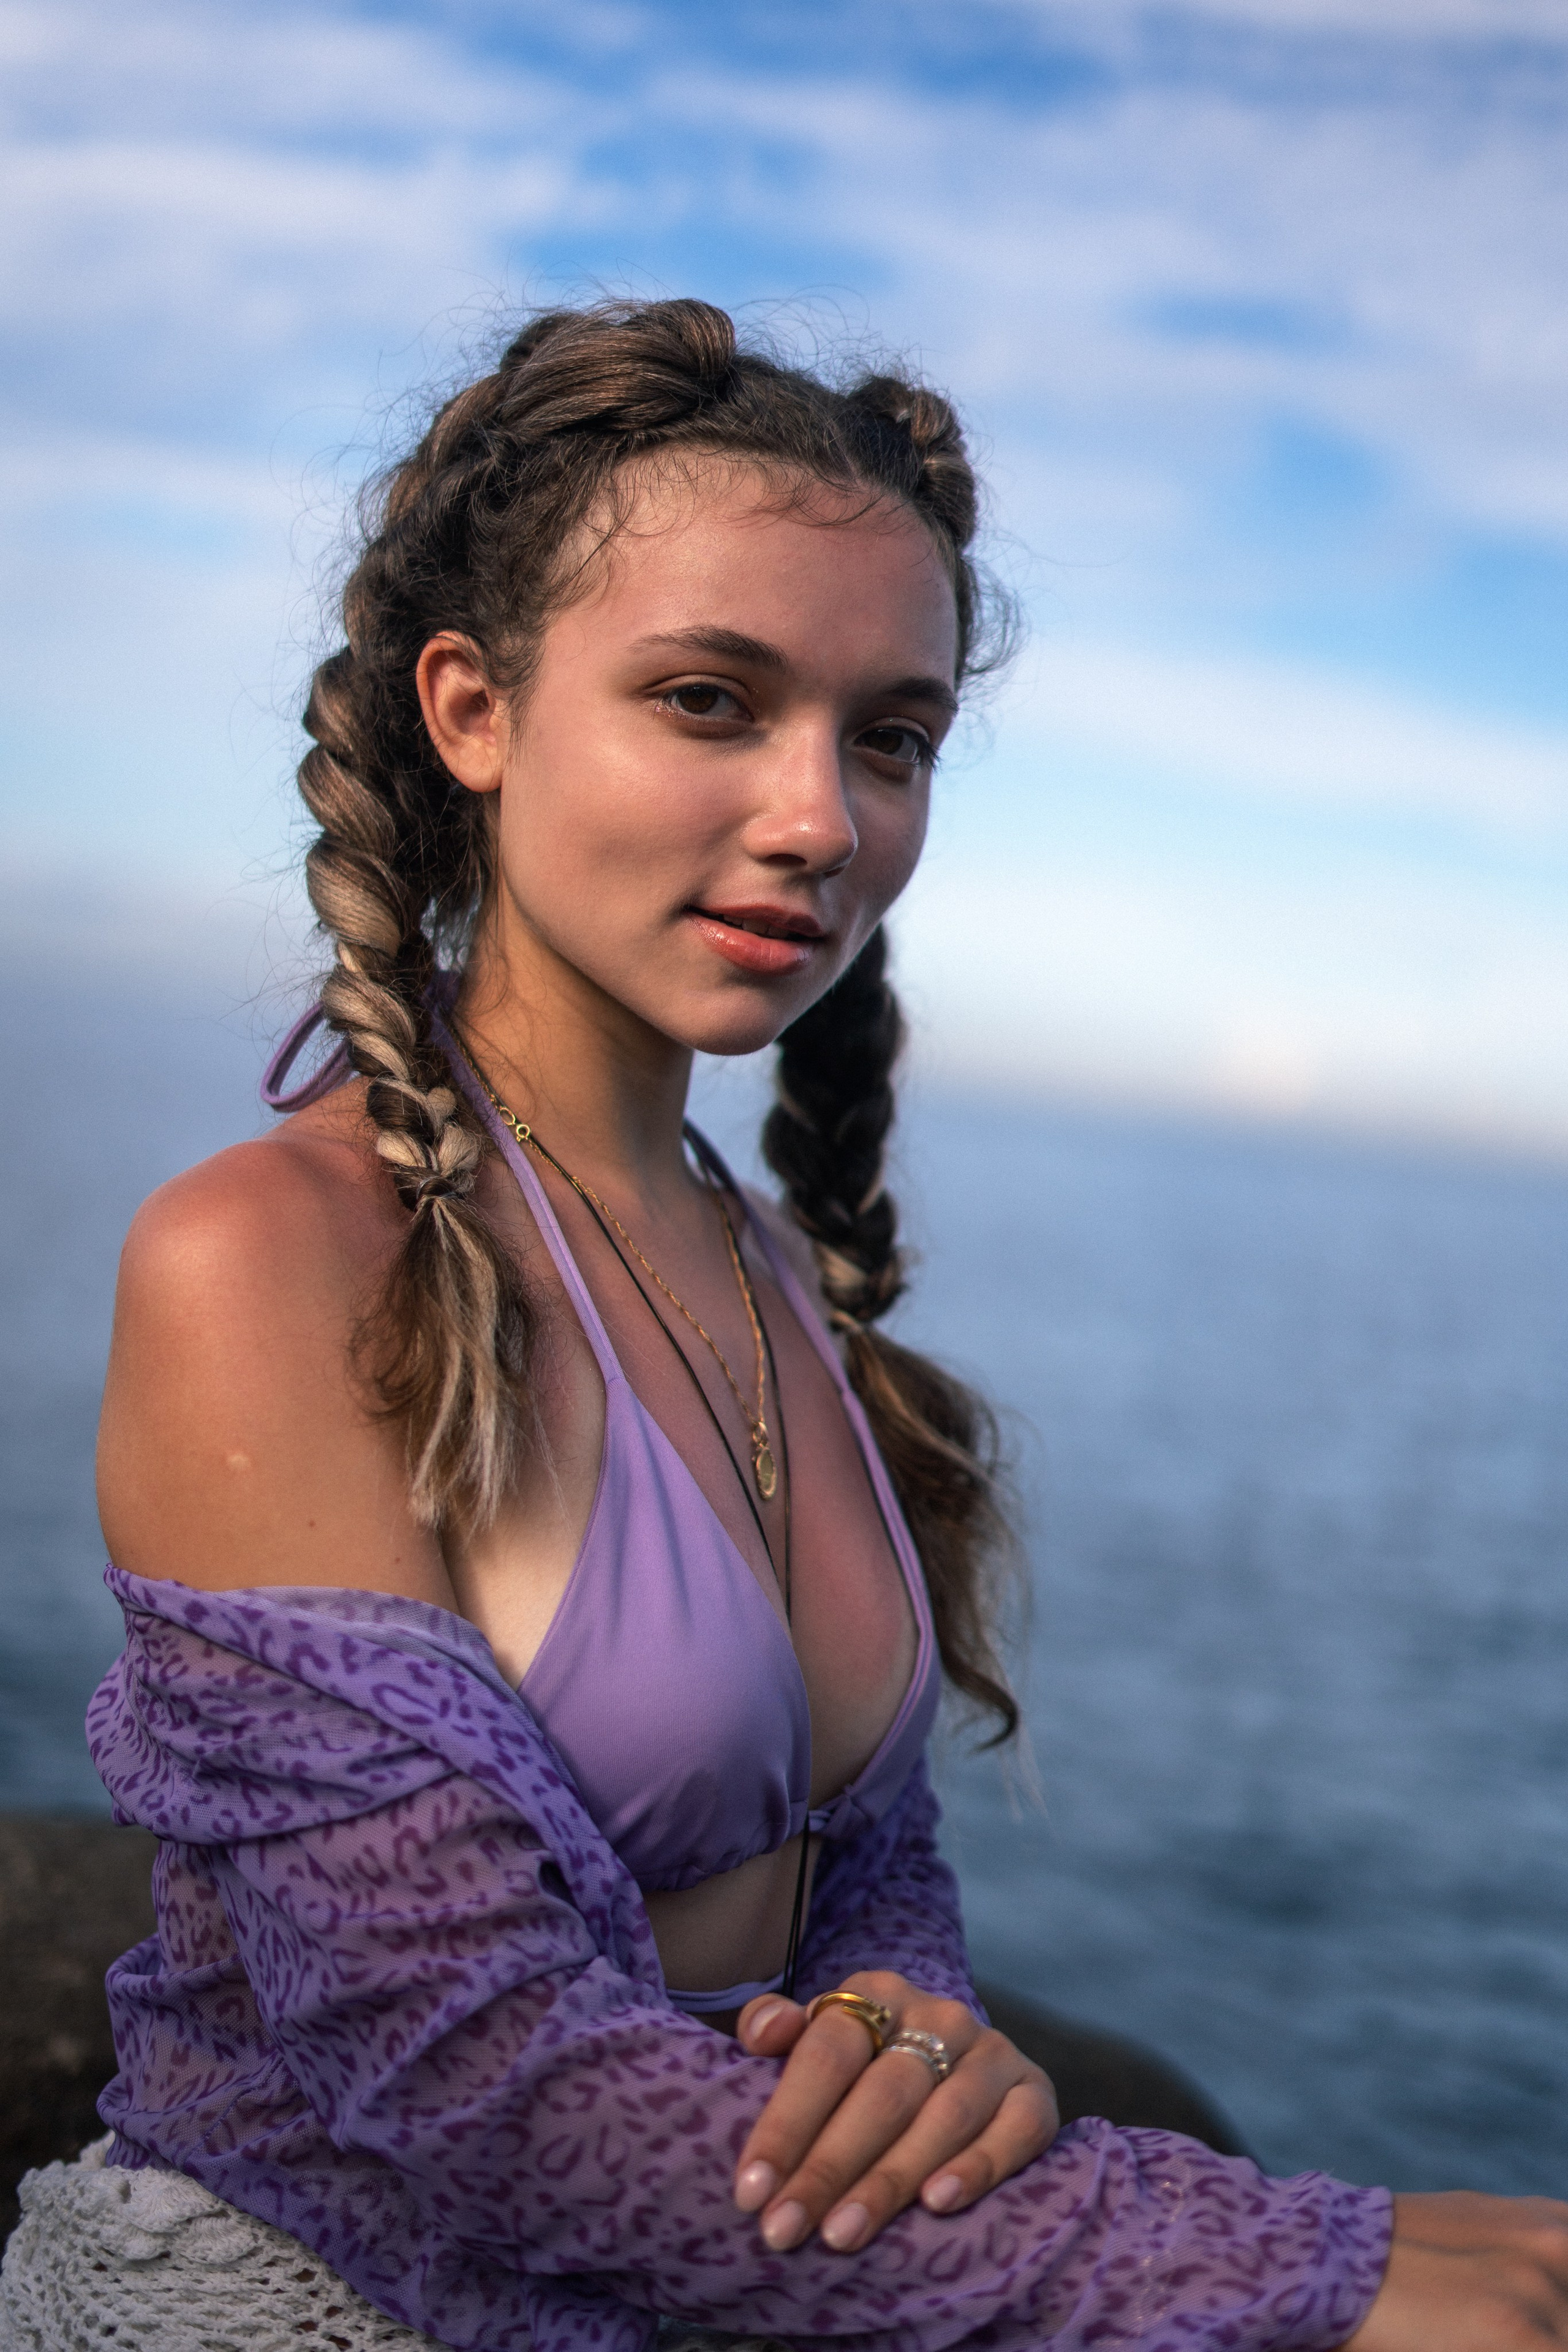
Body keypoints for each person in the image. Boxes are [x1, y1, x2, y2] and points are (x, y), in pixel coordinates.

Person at [9, 298, 1567, 2352]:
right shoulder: (269, 1259)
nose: (824, 818)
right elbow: (468, 2073)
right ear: (472, 710)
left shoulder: (773, 1277)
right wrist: (1298, 2270)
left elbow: (856, 1861)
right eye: (709, 699)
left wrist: (903, 2022)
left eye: (890, 738)